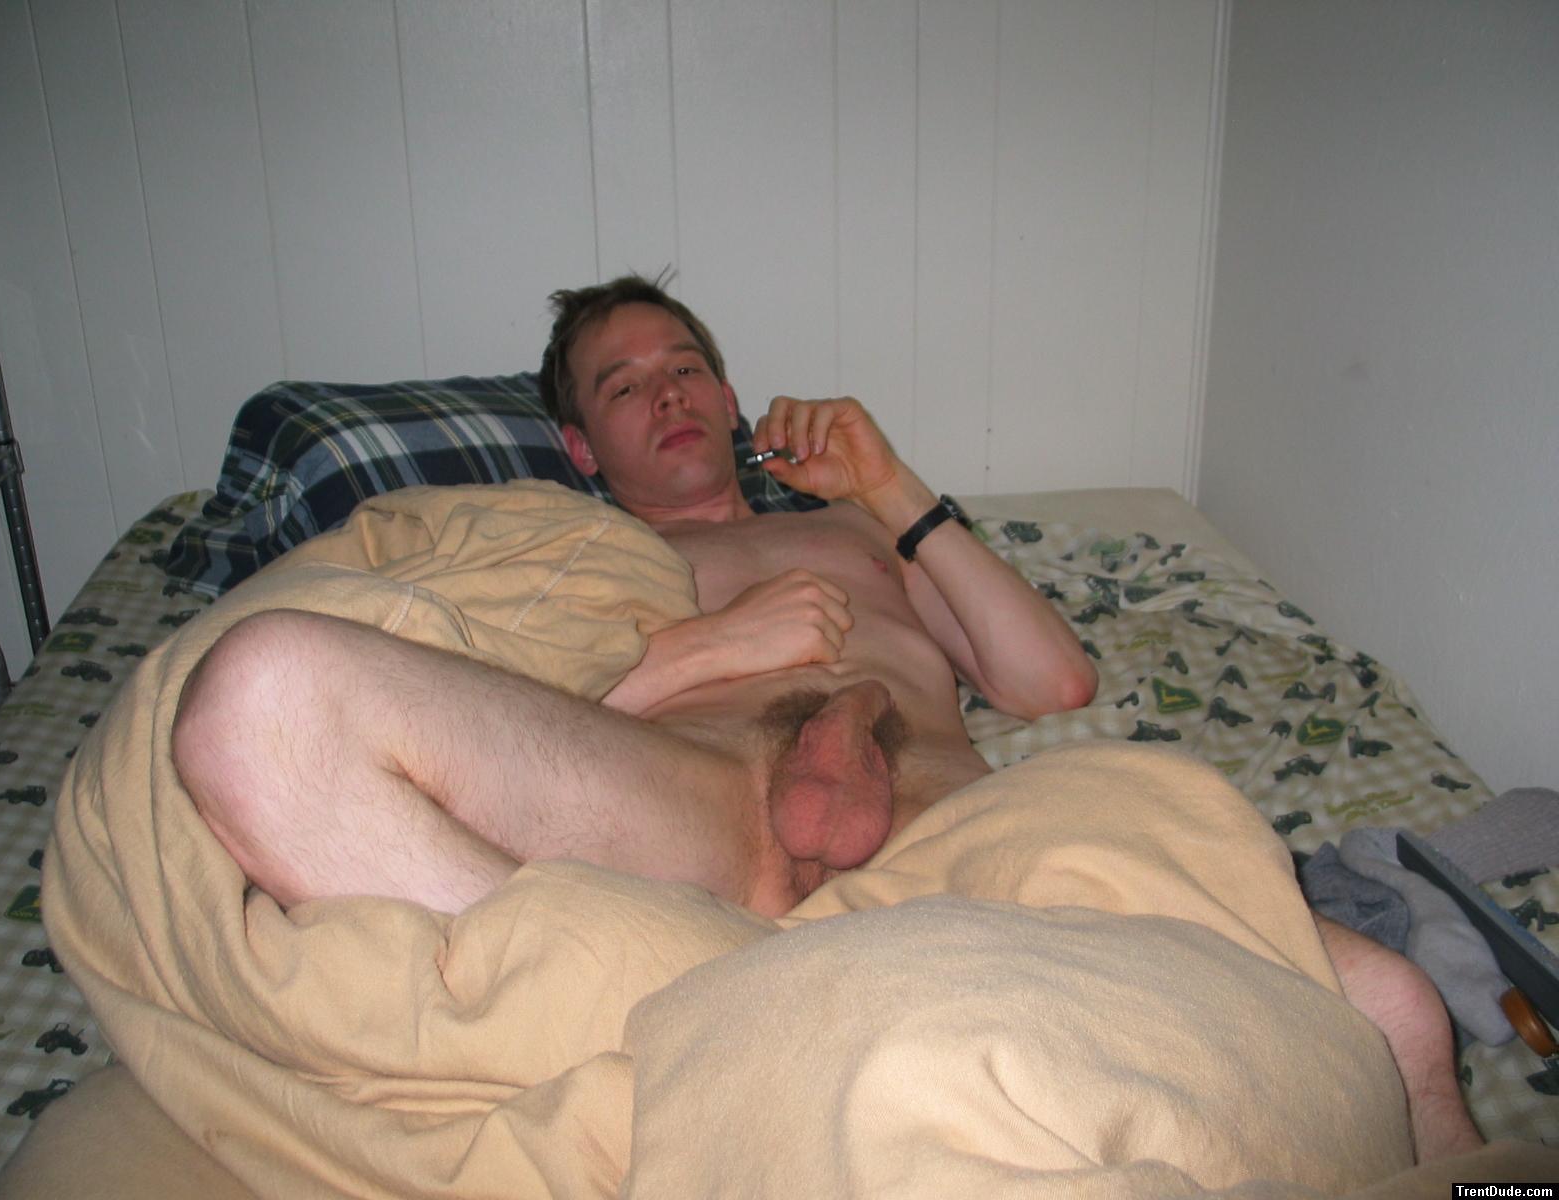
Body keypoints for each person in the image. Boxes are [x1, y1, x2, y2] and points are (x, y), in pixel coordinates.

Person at [171, 274, 1479, 1160]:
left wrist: (887, 483)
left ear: (730, 399)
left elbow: (1052, 684)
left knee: (1400, 1012)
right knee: (258, 702)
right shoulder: (558, 549)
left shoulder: (859, 533)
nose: (668, 393)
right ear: (578, 447)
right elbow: (498, 736)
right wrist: (706, 649)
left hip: (953, 828)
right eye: (623, 386)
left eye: (688, 368)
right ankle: (686, 1013)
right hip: (693, 831)